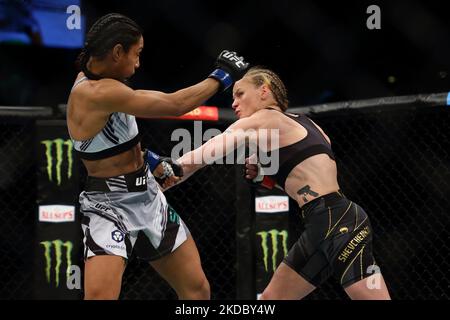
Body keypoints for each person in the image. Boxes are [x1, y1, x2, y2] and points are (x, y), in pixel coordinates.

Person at [66, 13, 249, 300]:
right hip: (109, 207)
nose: (138, 63)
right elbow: (175, 105)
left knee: (197, 291)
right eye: (136, 54)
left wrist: (150, 160)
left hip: (148, 197)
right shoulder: (94, 92)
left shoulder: (105, 82)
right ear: (117, 52)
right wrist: (222, 76)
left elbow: (115, 142)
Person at [171, 66, 391, 300]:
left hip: (336, 220)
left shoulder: (261, 120)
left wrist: (165, 172)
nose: (234, 103)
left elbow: (201, 156)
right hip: (324, 221)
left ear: (263, 91)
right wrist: (267, 176)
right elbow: (305, 178)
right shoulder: (307, 123)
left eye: (240, 94)